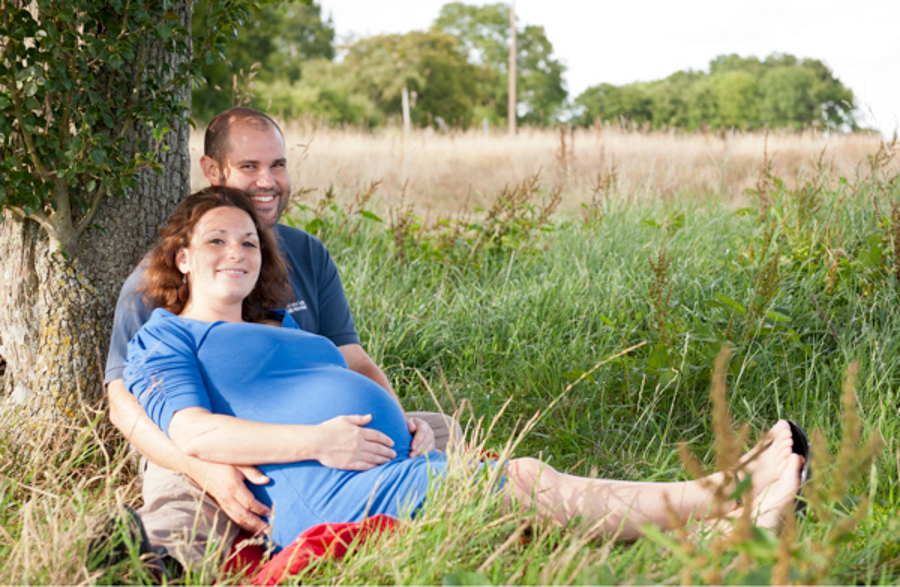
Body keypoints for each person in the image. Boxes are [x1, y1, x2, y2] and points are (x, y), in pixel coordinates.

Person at [123, 186, 805, 552]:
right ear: (182, 257)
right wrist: (320, 440)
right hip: (319, 490)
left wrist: (406, 421)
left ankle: (725, 509)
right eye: (215, 239)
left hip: (373, 464)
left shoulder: (285, 326)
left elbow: (342, 380)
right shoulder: (167, 335)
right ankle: (726, 497)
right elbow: (195, 433)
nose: (235, 251)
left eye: (247, 240)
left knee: (522, 482)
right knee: (524, 481)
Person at [104, 108, 460, 568]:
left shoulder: (306, 254)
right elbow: (123, 403)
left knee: (441, 429)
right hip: (215, 440)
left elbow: (354, 359)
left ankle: (453, 511)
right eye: (249, 167)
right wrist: (203, 466)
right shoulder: (165, 275)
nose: (267, 181)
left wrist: (399, 421)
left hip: (326, 430)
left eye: (278, 165)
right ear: (212, 171)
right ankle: (151, 565)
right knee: (189, 498)